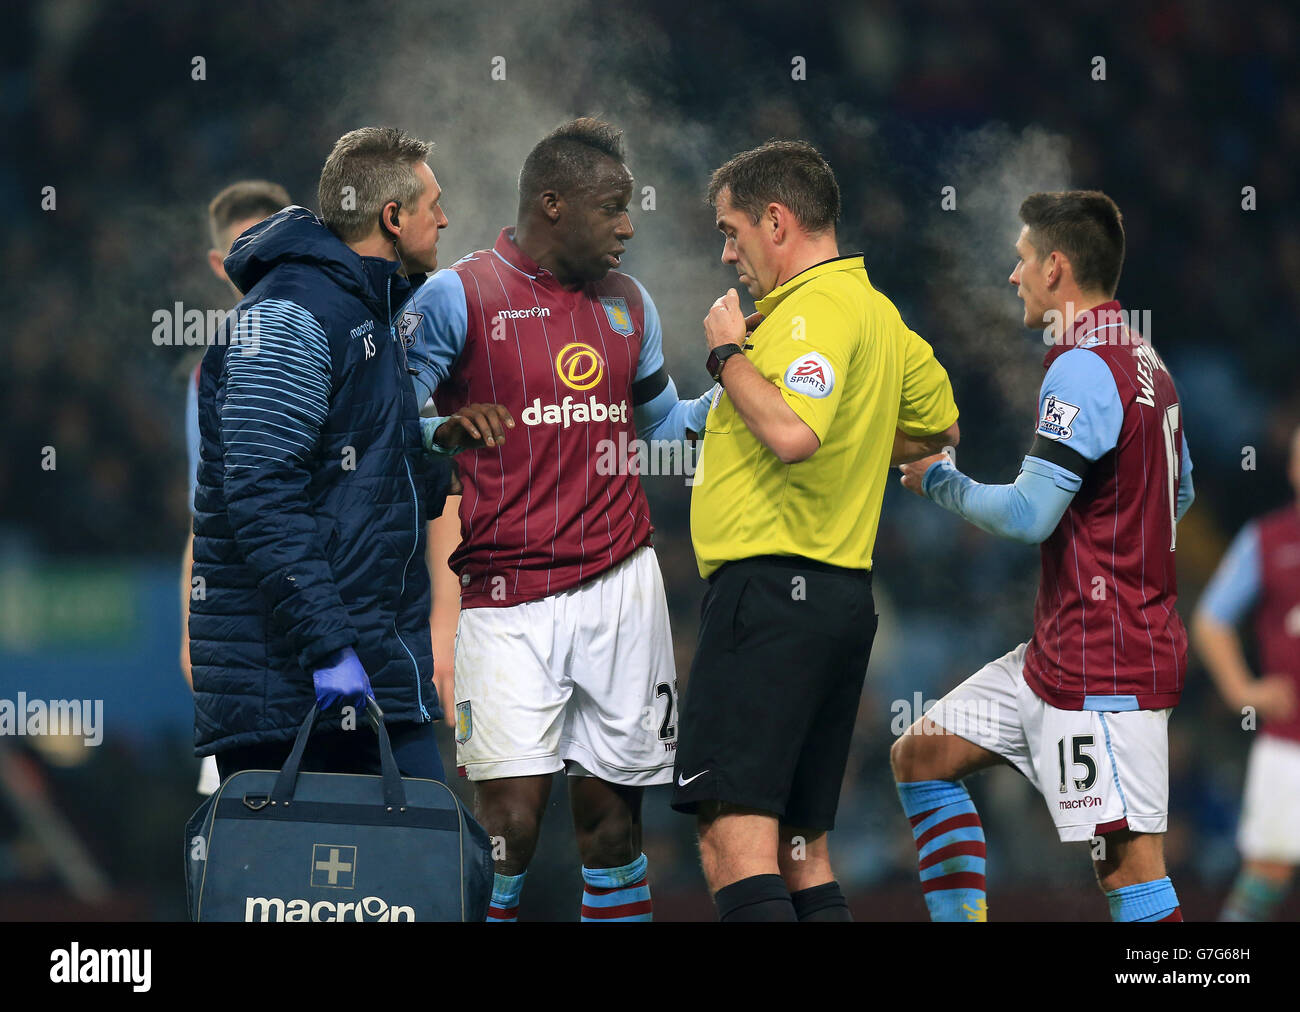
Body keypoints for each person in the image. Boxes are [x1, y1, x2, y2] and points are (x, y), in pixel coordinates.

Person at [401, 117, 713, 922]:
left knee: (611, 828)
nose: (628, 224)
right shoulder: (458, 295)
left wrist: (743, 377)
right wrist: (442, 429)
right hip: (505, 597)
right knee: (509, 826)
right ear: (552, 204)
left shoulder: (628, 305)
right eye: (612, 206)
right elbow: (382, 415)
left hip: (620, 586)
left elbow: (666, 428)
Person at [671, 139, 961, 922]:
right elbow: (941, 428)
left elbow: (794, 433)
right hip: (837, 603)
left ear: (777, 219)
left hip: (768, 598)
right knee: (802, 852)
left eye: (732, 231)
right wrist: (862, 441)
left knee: (734, 842)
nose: (728, 253)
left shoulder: (811, 311)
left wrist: (728, 353)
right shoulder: (879, 314)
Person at [894, 190, 1194, 923]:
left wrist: (939, 481)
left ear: (1056, 267)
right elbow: (1179, 491)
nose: (1013, 275)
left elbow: (1030, 515)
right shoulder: (1146, 359)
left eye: (1023, 259)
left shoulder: (1084, 367)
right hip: (1059, 653)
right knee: (922, 757)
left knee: (1129, 869)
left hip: (1105, 666)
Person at [190, 126, 508, 783]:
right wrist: (330, 649)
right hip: (292, 693)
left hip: (376, 678)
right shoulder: (289, 317)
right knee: (286, 887)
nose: (445, 219)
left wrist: (432, 437)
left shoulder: (369, 310)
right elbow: (262, 496)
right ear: (392, 217)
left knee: (424, 873)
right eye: (433, 205)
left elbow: (346, 463)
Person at [181, 179, 291, 796]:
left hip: (334, 622)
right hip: (241, 633)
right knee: (248, 823)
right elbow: (202, 514)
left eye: (267, 243)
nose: (255, 261)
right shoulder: (210, 372)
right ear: (218, 264)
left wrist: (442, 618)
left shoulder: (352, 333)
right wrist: (188, 626)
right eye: (238, 251)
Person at [1193, 425, 1300, 921]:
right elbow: (1212, 620)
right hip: (1286, 737)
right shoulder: (1267, 539)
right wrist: (1241, 690)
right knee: (1267, 872)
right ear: (1293, 468)